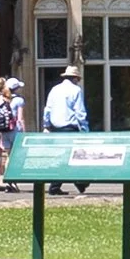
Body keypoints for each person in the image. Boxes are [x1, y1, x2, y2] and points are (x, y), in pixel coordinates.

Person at [43, 62, 91, 193]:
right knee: (75, 156)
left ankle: (66, 184)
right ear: (75, 78)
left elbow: (47, 109)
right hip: (70, 128)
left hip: (56, 128)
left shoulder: (54, 89)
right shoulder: (76, 90)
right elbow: (80, 112)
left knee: (60, 157)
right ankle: (78, 182)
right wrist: (85, 129)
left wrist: (46, 126)